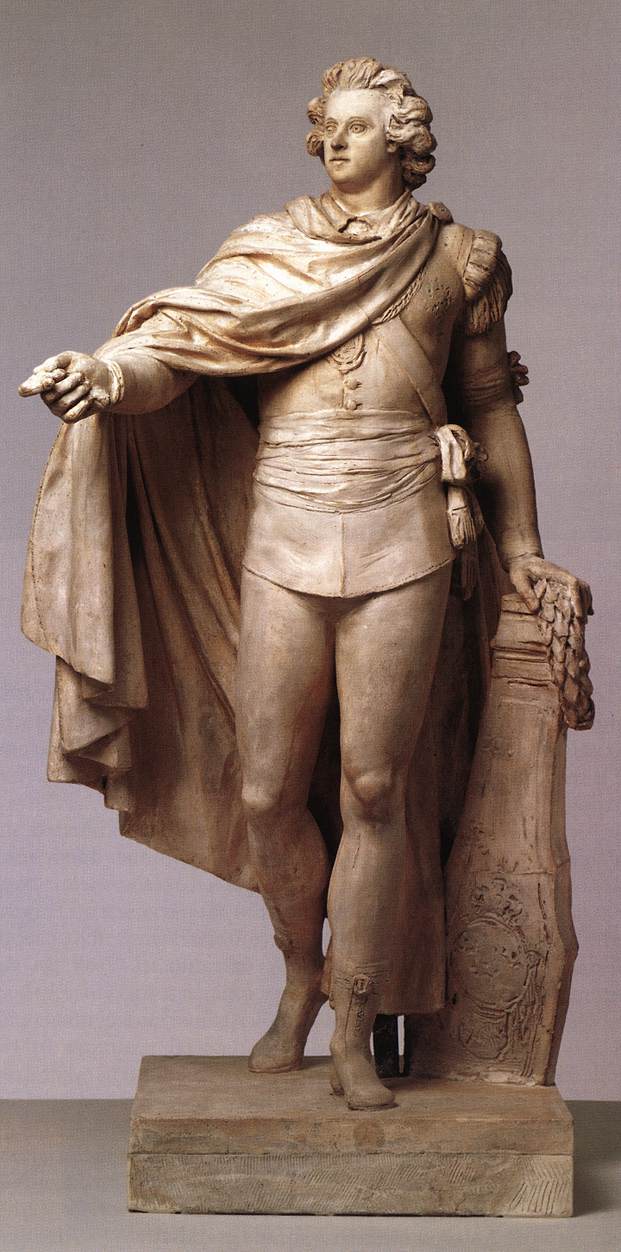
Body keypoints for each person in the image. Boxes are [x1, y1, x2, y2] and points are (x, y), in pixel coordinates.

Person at [19, 57, 590, 1109]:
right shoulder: (271, 252)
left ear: (405, 142)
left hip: (405, 530)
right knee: (267, 788)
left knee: (374, 787)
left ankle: (357, 1025)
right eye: (326, 125)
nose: (334, 140)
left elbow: (488, 405)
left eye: (358, 127)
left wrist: (520, 547)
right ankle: (300, 978)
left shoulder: (459, 259)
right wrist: (105, 374)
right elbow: (178, 350)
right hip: (285, 526)